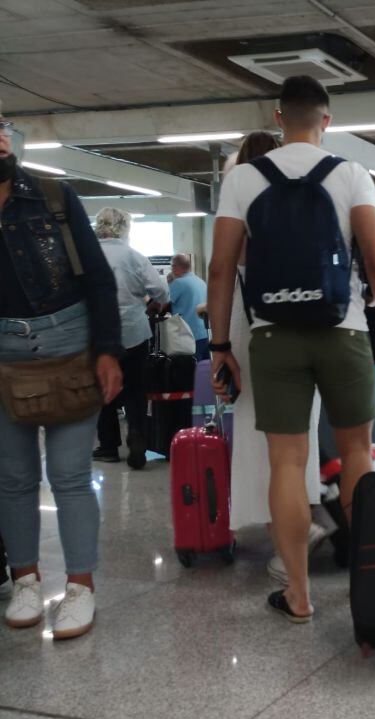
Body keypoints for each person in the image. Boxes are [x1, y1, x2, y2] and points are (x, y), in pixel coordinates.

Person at [208, 75, 375, 623]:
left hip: (273, 336)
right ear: (327, 120)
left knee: (287, 461)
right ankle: (370, 582)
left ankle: (298, 594)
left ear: (278, 119)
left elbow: (222, 266)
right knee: (355, 454)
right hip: (344, 330)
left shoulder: (244, 178)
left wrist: (220, 346)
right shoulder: (351, 175)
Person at [0, 119, 123, 639]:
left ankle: (80, 586)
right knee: (13, 477)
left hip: (72, 346)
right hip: (3, 355)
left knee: (71, 475)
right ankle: (25, 579)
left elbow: (98, 277)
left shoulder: (51, 197)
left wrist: (109, 350)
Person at [220, 131, 328, 586]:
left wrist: (218, 347)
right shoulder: (303, 208)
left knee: (258, 444)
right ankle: (303, 524)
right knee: (299, 440)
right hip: (309, 335)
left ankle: (289, 546)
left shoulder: (240, 211)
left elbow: (221, 273)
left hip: (253, 338)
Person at [92, 207, 169, 469]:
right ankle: (137, 435)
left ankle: (108, 446)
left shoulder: (86, 255)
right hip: (135, 332)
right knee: (136, 390)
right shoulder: (135, 256)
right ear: (125, 227)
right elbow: (160, 291)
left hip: (98, 334)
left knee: (104, 391)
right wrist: (154, 305)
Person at [168, 253, 209, 360]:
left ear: (176, 267)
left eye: (172, 266)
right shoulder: (201, 282)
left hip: (188, 336)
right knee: (203, 371)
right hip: (205, 334)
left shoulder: (178, 283)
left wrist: (169, 283)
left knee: (188, 372)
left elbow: (162, 304)